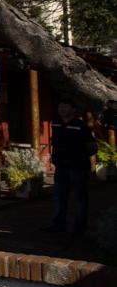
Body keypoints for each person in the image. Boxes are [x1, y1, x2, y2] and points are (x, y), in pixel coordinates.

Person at [44, 100, 97, 234]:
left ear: (73, 110)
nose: (61, 109)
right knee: (59, 197)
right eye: (60, 106)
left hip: (78, 168)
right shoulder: (56, 123)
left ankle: (79, 229)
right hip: (61, 167)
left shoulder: (81, 126)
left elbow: (92, 147)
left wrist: (77, 156)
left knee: (80, 199)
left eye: (65, 106)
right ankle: (58, 225)